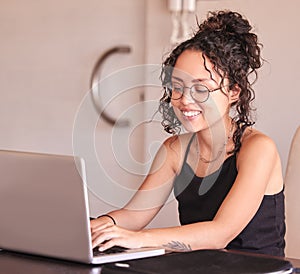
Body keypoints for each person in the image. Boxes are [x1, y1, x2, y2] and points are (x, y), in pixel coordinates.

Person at [90, 10, 285, 257]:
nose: (185, 100)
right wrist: (97, 227)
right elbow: (133, 215)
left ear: (234, 91)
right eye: (177, 87)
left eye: (201, 89)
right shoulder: (174, 150)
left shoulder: (258, 148)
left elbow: (220, 234)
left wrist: (139, 239)